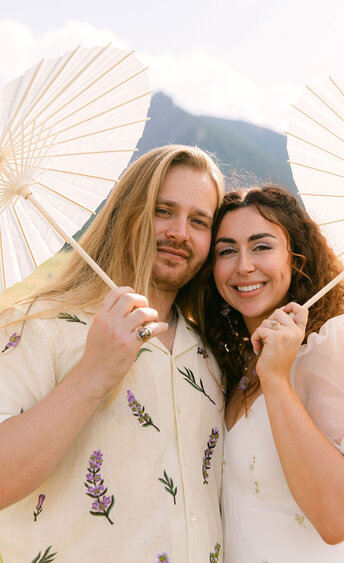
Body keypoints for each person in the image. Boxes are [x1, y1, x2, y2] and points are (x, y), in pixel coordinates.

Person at [0, 145, 226, 563]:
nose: (180, 232)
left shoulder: (209, 356)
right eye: (163, 210)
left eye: (199, 221)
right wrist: (93, 373)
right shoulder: (35, 325)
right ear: (126, 213)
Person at [202, 184, 344, 563]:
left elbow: (337, 520)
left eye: (261, 246)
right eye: (227, 250)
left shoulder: (341, 349)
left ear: (297, 258)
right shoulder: (235, 358)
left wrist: (277, 379)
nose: (243, 265)